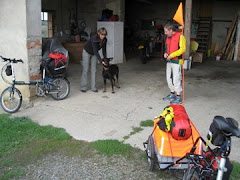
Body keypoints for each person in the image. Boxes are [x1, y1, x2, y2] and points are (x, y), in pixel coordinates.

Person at [163, 21, 186, 104]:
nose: (165, 33)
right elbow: (166, 47)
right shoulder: (168, 37)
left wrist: (172, 55)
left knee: (176, 78)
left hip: (177, 61)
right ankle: (172, 93)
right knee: (168, 78)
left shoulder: (181, 37)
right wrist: (165, 53)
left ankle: (178, 96)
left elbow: (182, 49)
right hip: (169, 61)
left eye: (166, 31)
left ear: (171, 30)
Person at [80, 27, 107, 92]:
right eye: (102, 34)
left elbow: (104, 50)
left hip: (94, 54)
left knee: (94, 70)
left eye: (104, 35)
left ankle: (93, 87)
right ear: (98, 33)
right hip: (87, 52)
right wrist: (101, 61)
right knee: (85, 69)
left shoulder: (105, 40)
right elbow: (95, 51)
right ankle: (83, 87)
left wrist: (105, 59)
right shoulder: (94, 38)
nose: (103, 36)